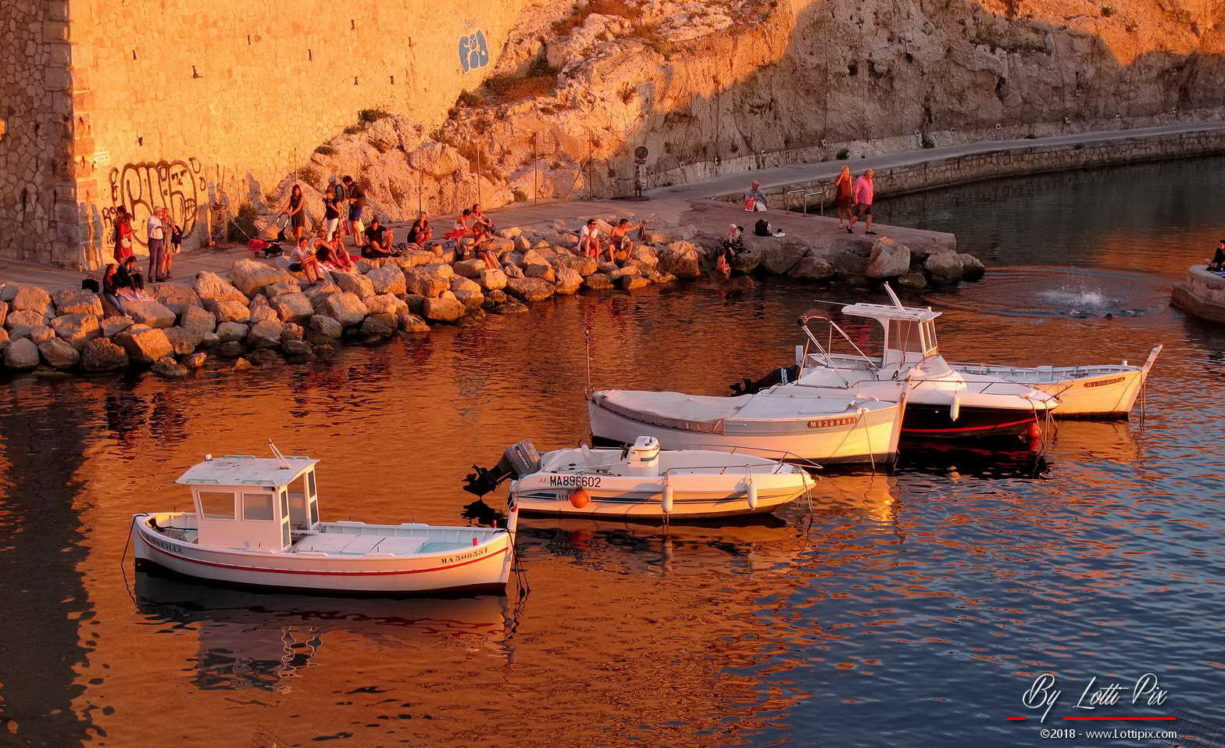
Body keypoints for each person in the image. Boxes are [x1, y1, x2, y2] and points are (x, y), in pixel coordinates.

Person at [847, 169, 876, 235]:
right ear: (866, 174)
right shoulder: (860, 180)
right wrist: (855, 200)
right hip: (862, 202)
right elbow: (855, 191)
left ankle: (868, 230)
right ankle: (849, 226)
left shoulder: (870, 180)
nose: (871, 177)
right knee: (857, 216)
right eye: (870, 175)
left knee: (869, 215)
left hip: (868, 201)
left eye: (872, 175)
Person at [342, 176, 366, 246]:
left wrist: (354, 200)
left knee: (355, 225)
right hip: (351, 207)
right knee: (352, 225)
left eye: (345, 183)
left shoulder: (356, 187)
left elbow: (363, 197)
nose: (345, 184)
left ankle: (360, 241)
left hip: (357, 207)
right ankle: (356, 241)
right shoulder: (349, 188)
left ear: (349, 182)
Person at [146, 208, 166, 282]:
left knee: (160, 259)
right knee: (153, 259)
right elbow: (151, 225)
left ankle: (159, 276)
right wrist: (158, 226)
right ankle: (151, 277)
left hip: (160, 240)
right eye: (160, 211)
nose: (162, 212)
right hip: (153, 240)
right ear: (157, 211)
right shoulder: (151, 218)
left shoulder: (159, 220)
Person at [164, 212, 182, 280]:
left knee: (169, 257)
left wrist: (173, 227)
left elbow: (177, 233)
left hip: (171, 243)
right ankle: (162, 273)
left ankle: (168, 272)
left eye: (165, 213)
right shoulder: (161, 222)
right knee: (164, 258)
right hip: (164, 242)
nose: (164, 215)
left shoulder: (172, 222)